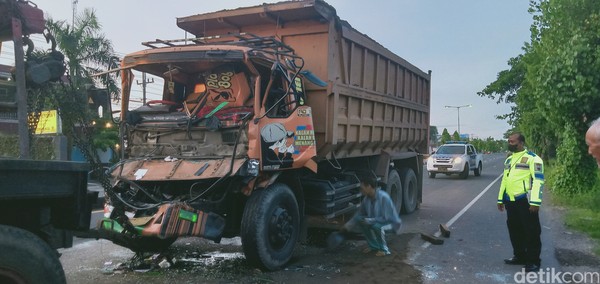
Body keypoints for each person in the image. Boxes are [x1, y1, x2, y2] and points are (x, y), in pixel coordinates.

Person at [497, 132, 544, 272]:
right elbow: (505, 180)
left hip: (526, 201)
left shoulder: (533, 159)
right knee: (515, 230)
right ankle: (519, 256)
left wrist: (535, 202)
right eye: (509, 141)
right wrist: (500, 199)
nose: (509, 143)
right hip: (511, 201)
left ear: (521, 143)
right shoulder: (509, 160)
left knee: (531, 231)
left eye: (512, 141)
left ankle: (534, 261)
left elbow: (538, 180)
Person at [341, 173, 402, 256]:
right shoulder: (366, 199)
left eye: (362, 188)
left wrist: (370, 220)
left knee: (376, 226)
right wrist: (347, 226)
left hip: (391, 223)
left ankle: (384, 250)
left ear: (369, 186)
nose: (361, 191)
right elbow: (358, 214)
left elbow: (387, 218)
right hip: (378, 221)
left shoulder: (384, 197)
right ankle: (374, 246)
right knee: (360, 220)